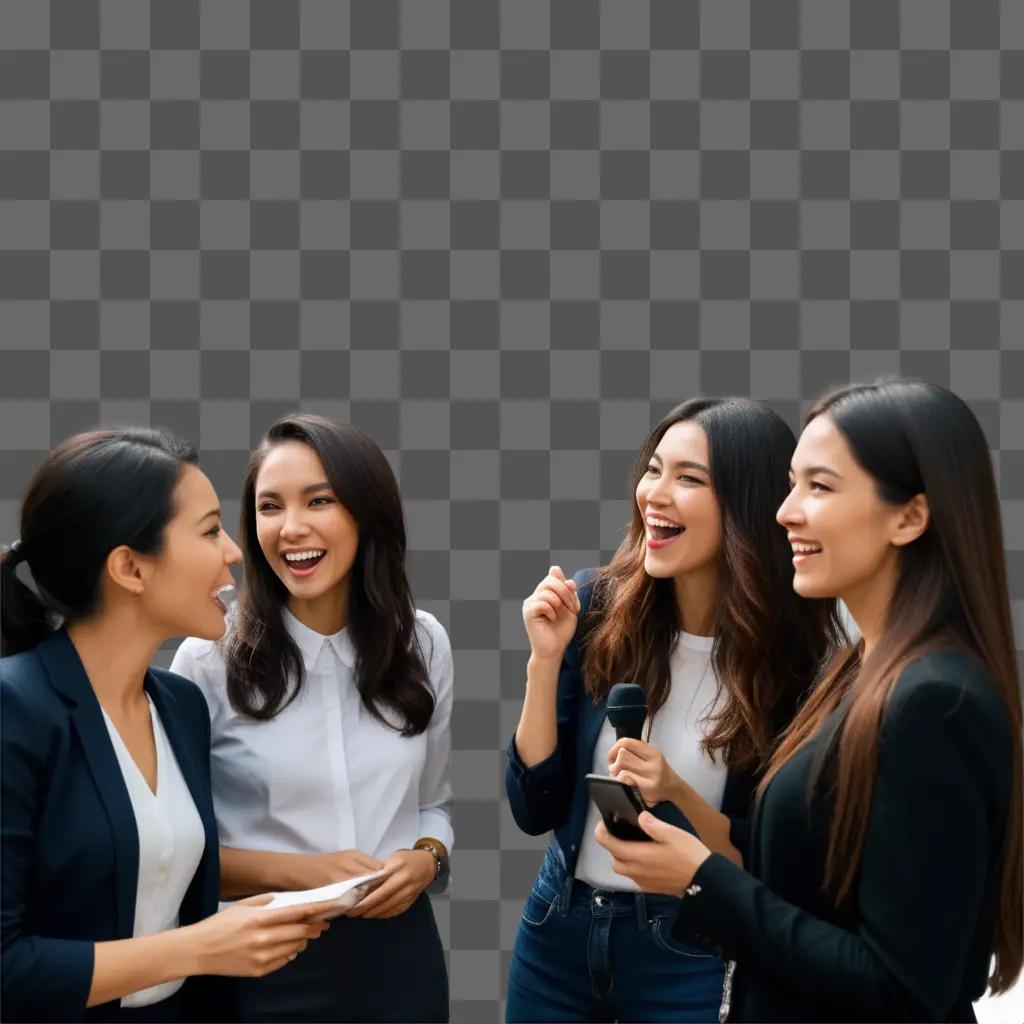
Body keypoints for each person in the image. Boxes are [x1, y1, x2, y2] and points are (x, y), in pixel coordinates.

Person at [597, 380, 1023, 1022]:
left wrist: (702, 880)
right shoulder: (861, 669)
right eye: (791, 485)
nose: (784, 512)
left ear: (910, 516)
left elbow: (903, 989)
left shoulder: (935, 703)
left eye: (820, 488)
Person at [505, 398, 843, 1023]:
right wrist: (543, 664)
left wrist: (678, 793)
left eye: (688, 479)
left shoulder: (798, 665)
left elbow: (766, 864)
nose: (654, 494)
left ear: (746, 504)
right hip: (559, 926)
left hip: (689, 944)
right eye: (653, 469)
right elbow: (534, 809)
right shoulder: (595, 609)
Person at [1, 428, 333, 1024]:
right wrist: (204, 947)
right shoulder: (15, 709)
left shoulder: (180, 706)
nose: (235, 551)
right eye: (209, 531)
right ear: (130, 567)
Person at [170, 414, 453, 1023]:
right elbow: (179, 853)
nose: (291, 528)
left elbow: (433, 805)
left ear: (367, 512)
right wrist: (306, 874)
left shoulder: (424, 644)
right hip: (260, 959)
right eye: (270, 507)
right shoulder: (205, 658)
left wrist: (427, 858)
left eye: (319, 500)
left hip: (401, 959)